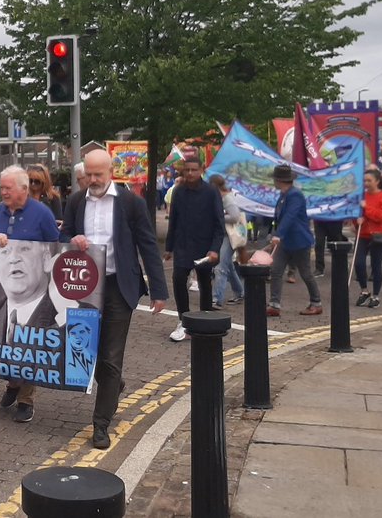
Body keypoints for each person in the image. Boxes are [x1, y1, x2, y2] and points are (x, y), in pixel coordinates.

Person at [61, 149, 168, 450]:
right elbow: (64, 234)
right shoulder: (75, 201)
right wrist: (72, 240)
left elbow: (148, 245)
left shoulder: (131, 203)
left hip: (119, 287)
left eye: (99, 174)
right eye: (88, 175)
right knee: (82, 349)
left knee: (110, 355)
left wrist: (159, 291)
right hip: (83, 287)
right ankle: (114, 383)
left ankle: (101, 424)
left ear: (111, 171)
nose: (92, 180)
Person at [0, 165, 61, 423]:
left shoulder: (42, 214)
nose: (2, 191)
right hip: (2, 289)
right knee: (5, 340)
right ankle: (12, 384)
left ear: (24, 189)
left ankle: (26, 398)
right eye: (1, 187)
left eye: (7, 188)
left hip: (34, 289)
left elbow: (55, 246)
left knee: (29, 343)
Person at [164, 159, 225, 340]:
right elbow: (173, 220)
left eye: (194, 170)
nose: (190, 173)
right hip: (183, 245)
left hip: (204, 246)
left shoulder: (211, 192)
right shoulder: (179, 191)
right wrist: (169, 247)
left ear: (202, 170)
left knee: (205, 282)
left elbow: (219, 224)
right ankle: (183, 320)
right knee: (178, 279)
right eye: (187, 170)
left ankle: (204, 319)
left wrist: (214, 249)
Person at [267, 165, 321, 316]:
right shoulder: (283, 195)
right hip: (285, 241)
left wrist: (279, 234)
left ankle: (316, 303)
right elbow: (280, 218)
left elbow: (290, 216)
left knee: (305, 273)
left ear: (279, 180)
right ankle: (274, 304)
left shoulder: (294, 195)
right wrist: (275, 234)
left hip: (299, 240)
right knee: (276, 270)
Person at [354, 169, 382, 308]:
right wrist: (356, 220)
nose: (366, 183)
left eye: (369, 180)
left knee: (376, 265)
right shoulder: (361, 195)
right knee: (358, 263)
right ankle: (364, 290)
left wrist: (367, 209)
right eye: (364, 180)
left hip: (378, 235)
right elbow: (357, 213)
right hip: (363, 234)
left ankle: (376, 295)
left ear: (377, 181)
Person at [209, 174, 244, 307]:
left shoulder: (227, 199)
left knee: (221, 267)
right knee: (227, 265)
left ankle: (217, 299)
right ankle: (240, 292)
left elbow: (235, 217)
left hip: (228, 236)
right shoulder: (219, 197)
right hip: (223, 234)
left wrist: (219, 217)